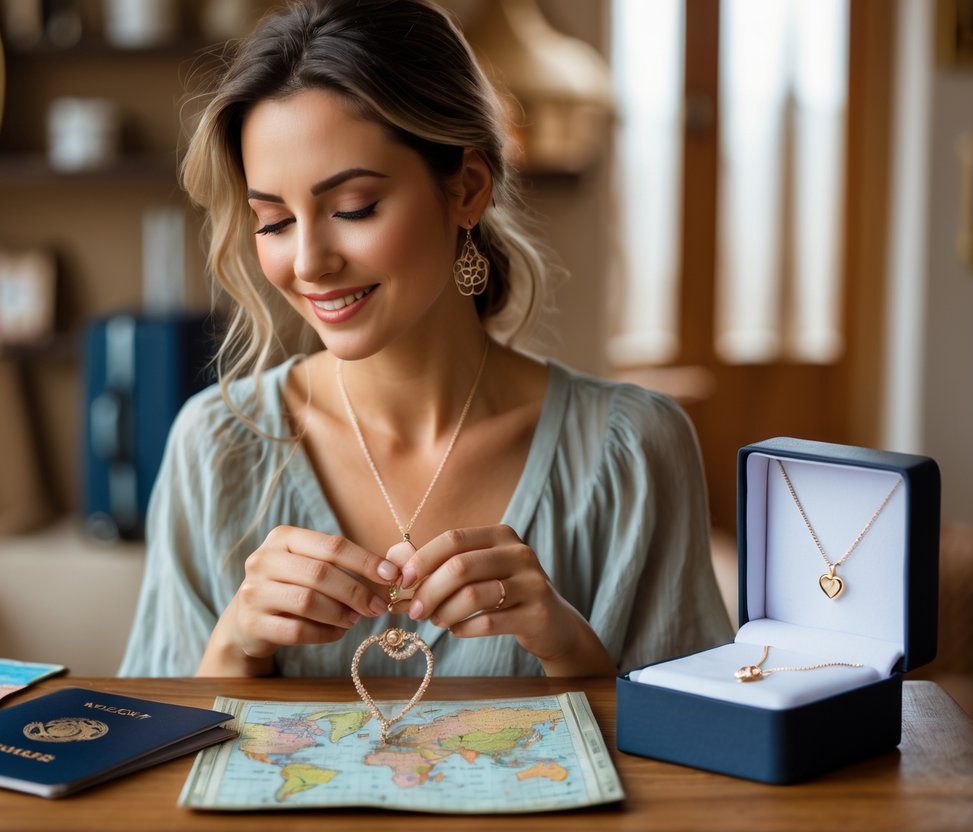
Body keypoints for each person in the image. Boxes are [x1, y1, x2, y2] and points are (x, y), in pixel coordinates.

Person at [119, 0, 732, 679]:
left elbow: (696, 736)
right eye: (274, 221)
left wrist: (567, 648)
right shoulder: (214, 448)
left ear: (467, 189)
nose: (308, 263)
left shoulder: (634, 452)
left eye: (354, 208)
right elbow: (154, 738)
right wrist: (235, 644)